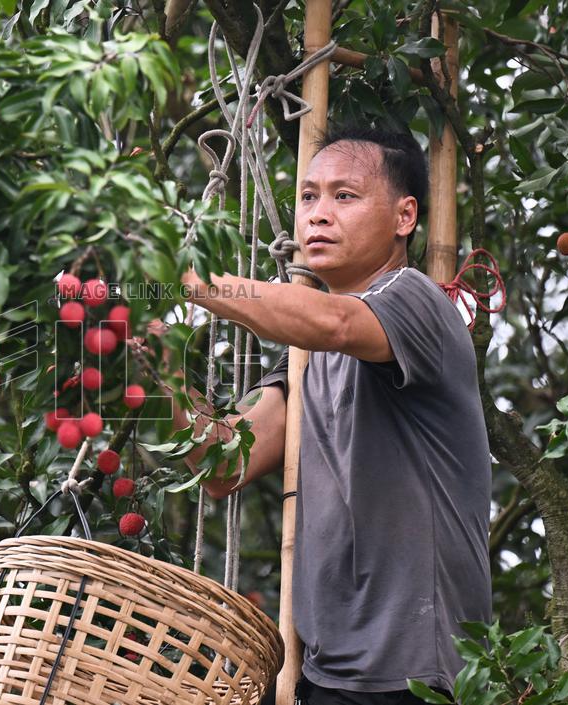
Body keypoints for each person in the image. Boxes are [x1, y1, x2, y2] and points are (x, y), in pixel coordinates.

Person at [150, 124, 491, 704]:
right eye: (308, 196)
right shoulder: (304, 358)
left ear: (405, 217)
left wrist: (177, 274)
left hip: (416, 675)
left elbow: (336, 322)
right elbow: (220, 463)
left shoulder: (417, 300)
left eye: (345, 196)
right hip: (328, 676)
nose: (318, 214)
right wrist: (152, 354)